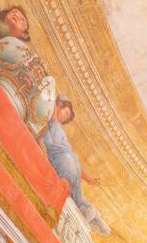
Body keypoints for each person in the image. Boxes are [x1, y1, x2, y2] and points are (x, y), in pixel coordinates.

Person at [41, 98, 110, 235]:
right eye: (65, 113)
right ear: (59, 107)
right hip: (65, 162)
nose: (64, 117)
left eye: (66, 116)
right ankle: (93, 214)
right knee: (77, 197)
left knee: (69, 191)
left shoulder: (56, 126)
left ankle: (89, 214)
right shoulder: (52, 122)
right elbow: (54, 109)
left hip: (66, 162)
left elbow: (71, 157)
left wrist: (89, 179)